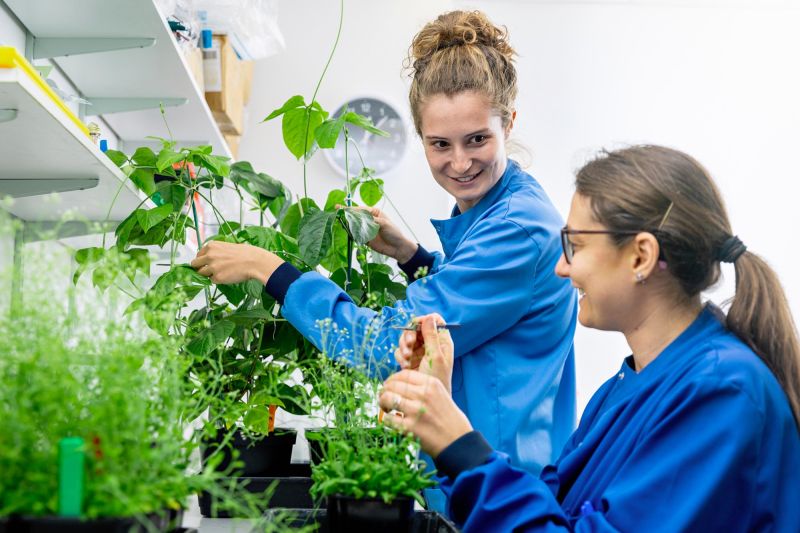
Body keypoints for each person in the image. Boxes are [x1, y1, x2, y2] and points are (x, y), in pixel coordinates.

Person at [191, 10, 577, 475]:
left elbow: (389, 348)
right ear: (421, 138)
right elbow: (473, 311)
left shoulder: (517, 227)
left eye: (477, 139)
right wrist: (412, 257)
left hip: (497, 483)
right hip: (481, 470)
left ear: (508, 124)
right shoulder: (499, 209)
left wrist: (270, 271)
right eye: (440, 144)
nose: (459, 163)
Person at [379, 145, 800, 531]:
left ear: (641, 256)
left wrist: (461, 446)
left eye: (575, 245)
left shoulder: (720, 393)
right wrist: (443, 415)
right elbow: (552, 511)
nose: (562, 268)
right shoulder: (626, 386)